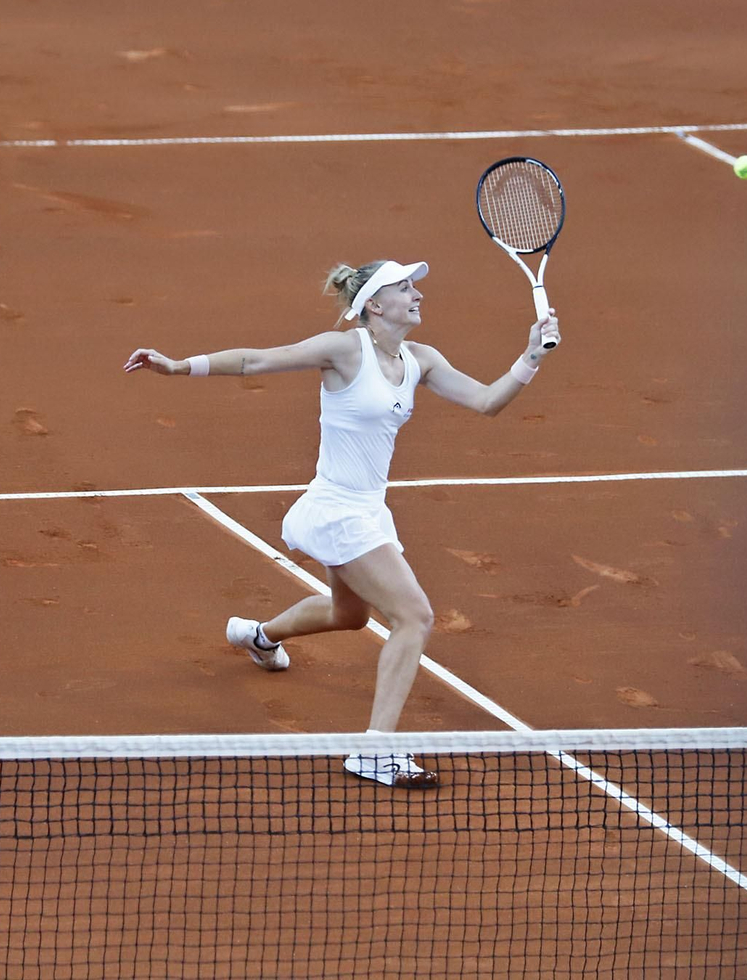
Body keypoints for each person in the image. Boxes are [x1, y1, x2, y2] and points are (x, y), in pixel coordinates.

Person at [123, 259, 560, 787]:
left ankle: (259, 636)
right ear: (375, 304)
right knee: (414, 617)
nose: (417, 294)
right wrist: (178, 366)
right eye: (404, 288)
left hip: (369, 509)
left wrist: (531, 356)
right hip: (336, 508)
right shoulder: (345, 350)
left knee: (348, 614)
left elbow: (488, 402)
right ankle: (374, 752)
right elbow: (259, 361)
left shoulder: (422, 359)